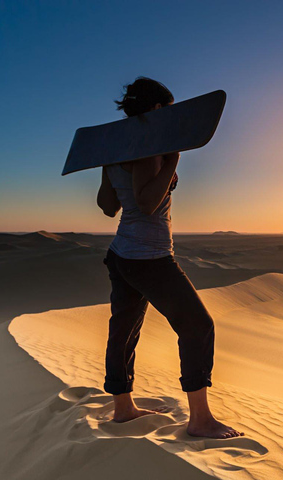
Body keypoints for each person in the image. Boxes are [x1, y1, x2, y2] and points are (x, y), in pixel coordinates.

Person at [96, 76, 243, 439]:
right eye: (170, 109)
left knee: (123, 331)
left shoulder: (116, 148)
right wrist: (174, 156)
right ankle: (200, 420)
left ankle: (123, 408)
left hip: (121, 255)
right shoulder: (151, 148)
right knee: (197, 324)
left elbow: (106, 206)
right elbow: (146, 204)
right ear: (158, 109)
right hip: (149, 257)